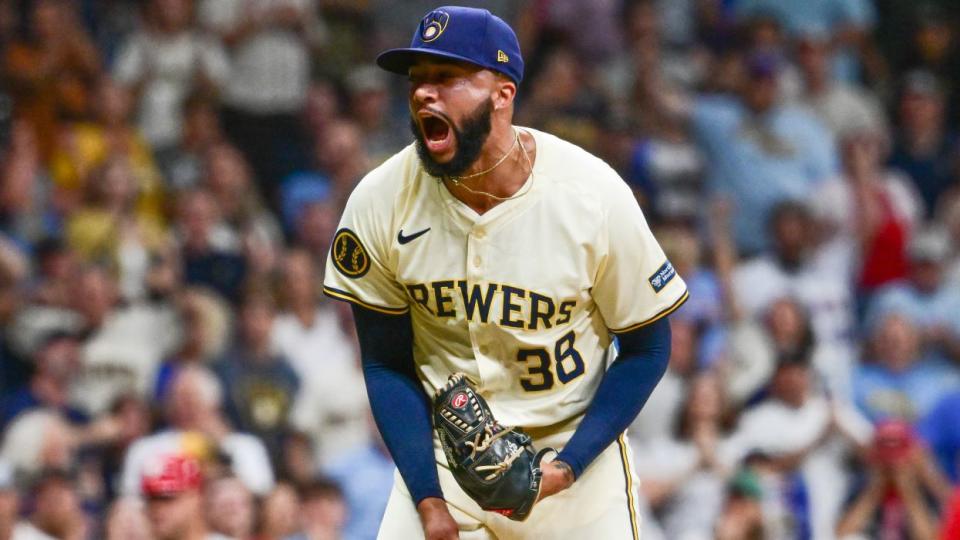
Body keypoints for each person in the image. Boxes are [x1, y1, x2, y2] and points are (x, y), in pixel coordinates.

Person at [322, 6, 686, 538]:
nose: (425, 93)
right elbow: (385, 364)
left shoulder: (592, 195)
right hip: (448, 467)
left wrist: (568, 466)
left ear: (502, 93)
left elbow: (648, 347)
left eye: (447, 78)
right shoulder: (380, 200)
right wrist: (427, 499)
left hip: (574, 463)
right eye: (418, 80)